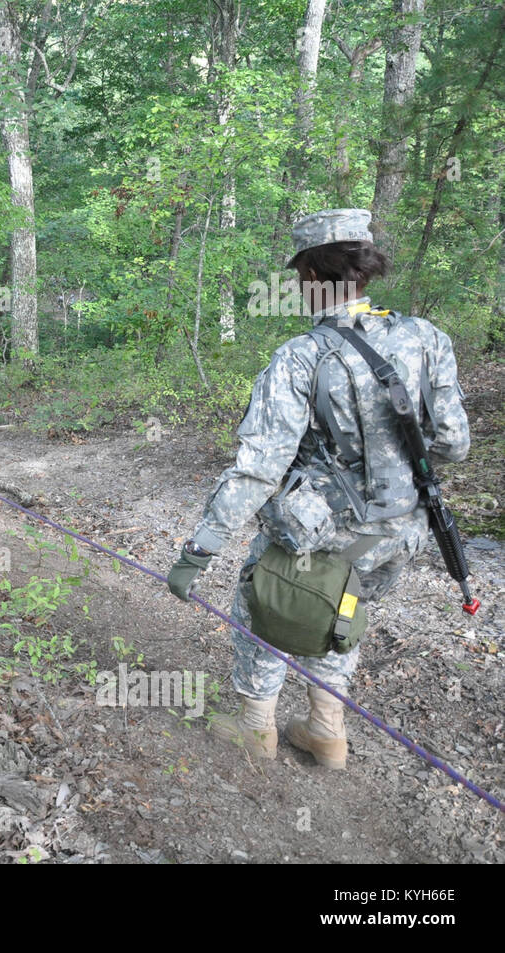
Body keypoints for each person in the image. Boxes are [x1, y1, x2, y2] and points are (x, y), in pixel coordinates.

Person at [166, 208, 470, 770]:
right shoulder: (426, 336)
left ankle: (256, 729)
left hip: (322, 536)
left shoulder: (300, 358)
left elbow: (257, 470)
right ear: (365, 267)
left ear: (310, 275)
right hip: (400, 534)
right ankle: (326, 732)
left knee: (267, 604)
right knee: (342, 613)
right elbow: (453, 444)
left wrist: (198, 551)